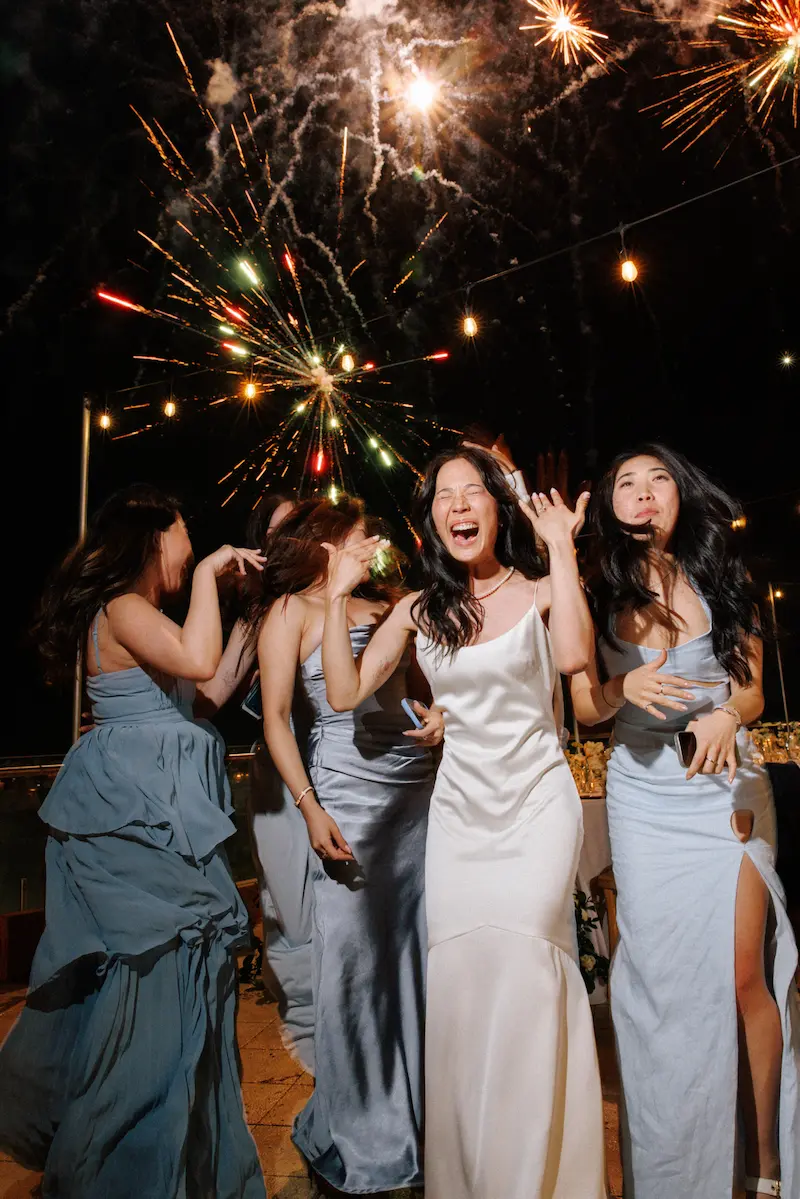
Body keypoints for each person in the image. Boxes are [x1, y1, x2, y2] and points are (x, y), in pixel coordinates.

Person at [321, 446, 606, 1199]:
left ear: (497, 508)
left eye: (471, 491)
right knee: (466, 984)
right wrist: (336, 596)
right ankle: (475, 1176)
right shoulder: (420, 609)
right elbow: (345, 692)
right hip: (458, 816)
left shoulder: (541, 589)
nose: (457, 506)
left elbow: (575, 655)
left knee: (527, 968)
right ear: (431, 521)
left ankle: (536, 1177)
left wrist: (562, 547)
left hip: (537, 805)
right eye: (442, 496)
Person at [0, 485, 266, 1199]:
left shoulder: (143, 616)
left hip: (153, 811)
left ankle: (168, 1166)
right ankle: (121, 1173)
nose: (190, 544)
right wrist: (209, 575)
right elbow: (200, 661)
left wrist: (252, 613)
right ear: (155, 537)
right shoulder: (121, 605)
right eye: (184, 532)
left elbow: (205, 695)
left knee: (174, 987)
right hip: (132, 814)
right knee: (151, 991)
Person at [569, 444, 800, 1199]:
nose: (643, 492)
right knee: (667, 988)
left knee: (743, 975)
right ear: (610, 506)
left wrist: (729, 715)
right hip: (645, 796)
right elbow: (583, 706)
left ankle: (765, 1168)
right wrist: (622, 687)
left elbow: (753, 690)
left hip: (728, 788)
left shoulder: (721, 575)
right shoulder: (594, 592)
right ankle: (680, 1169)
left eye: (658, 479)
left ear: (680, 495)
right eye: (626, 484)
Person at [251, 496, 442, 1194]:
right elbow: (277, 719)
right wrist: (309, 807)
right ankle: (364, 1132)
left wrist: (440, 714)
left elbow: (419, 686)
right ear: (325, 543)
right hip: (348, 796)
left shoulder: (389, 603)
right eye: (358, 535)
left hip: (416, 790)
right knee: (356, 964)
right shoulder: (291, 611)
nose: (372, 544)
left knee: (415, 958)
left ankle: (423, 1121)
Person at [195, 491, 316, 1072]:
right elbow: (213, 692)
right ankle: (314, 1046)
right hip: (279, 783)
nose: (289, 539)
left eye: (299, 527)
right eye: (277, 532)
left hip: (341, 770)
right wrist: (139, 704)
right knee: (289, 909)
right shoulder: (256, 617)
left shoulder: (336, 599)